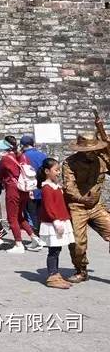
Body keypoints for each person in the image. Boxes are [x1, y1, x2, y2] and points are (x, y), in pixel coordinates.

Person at [62, 114, 110, 284]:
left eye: (94, 149)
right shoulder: (70, 163)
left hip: (96, 206)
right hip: (77, 206)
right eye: (88, 151)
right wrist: (82, 199)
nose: (91, 153)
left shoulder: (102, 159)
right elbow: (69, 186)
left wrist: (101, 130)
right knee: (78, 243)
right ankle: (81, 270)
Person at [0, 135, 43, 254]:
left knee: (12, 218)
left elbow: (0, 174)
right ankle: (35, 238)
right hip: (24, 189)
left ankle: (19, 244)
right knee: (19, 216)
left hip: (13, 189)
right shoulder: (23, 156)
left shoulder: (5, 159)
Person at [37, 158, 75, 289]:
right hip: (53, 222)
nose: (58, 173)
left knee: (57, 249)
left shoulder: (55, 186)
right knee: (53, 251)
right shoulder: (47, 188)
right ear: (47, 171)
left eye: (59, 170)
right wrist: (56, 221)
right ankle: (52, 276)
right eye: (56, 170)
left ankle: (56, 274)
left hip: (59, 219)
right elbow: (49, 206)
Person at [21, 135, 47, 234]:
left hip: (30, 189)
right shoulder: (43, 155)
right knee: (41, 213)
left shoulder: (23, 156)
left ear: (22, 145)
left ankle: (36, 235)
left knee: (32, 214)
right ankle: (43, 233)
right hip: (42, 188)